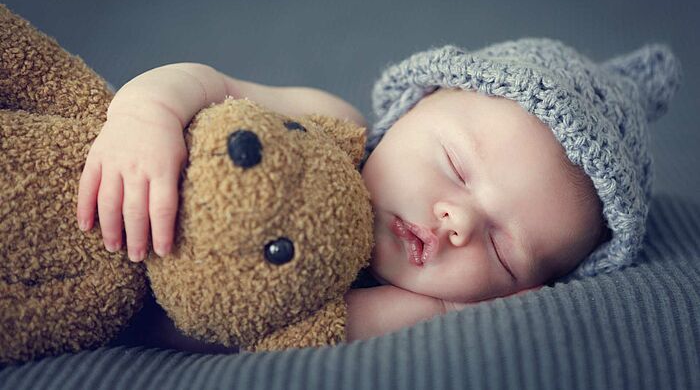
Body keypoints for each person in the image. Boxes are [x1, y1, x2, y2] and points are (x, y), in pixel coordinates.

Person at [76, 38, 680, 347]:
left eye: (502, 251)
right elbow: (209, 82)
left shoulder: (412, 311)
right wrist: (145, 114)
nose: (458, 221)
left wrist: (443, 311)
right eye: (456, 166)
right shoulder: (327, 127)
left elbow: (288, 333)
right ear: (415, 105)